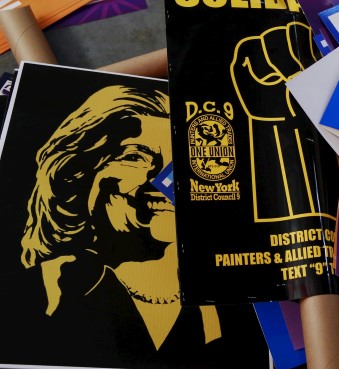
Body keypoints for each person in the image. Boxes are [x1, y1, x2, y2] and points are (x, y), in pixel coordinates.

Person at [19, 84, 221, 352]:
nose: (164, 181)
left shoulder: (222, 298)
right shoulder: (44, 292)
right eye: (136, 157)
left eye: (177, 163)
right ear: (77, 176)